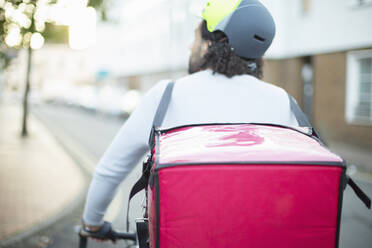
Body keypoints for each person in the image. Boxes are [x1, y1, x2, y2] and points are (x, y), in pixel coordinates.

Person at [81, 0, 298, 239]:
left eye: (195, 37)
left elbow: (111, 169)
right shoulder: (284, 102)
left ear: (209, 45)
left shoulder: (166, 96)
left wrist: (93, 224)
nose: (189, 45)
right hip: (262, 237)